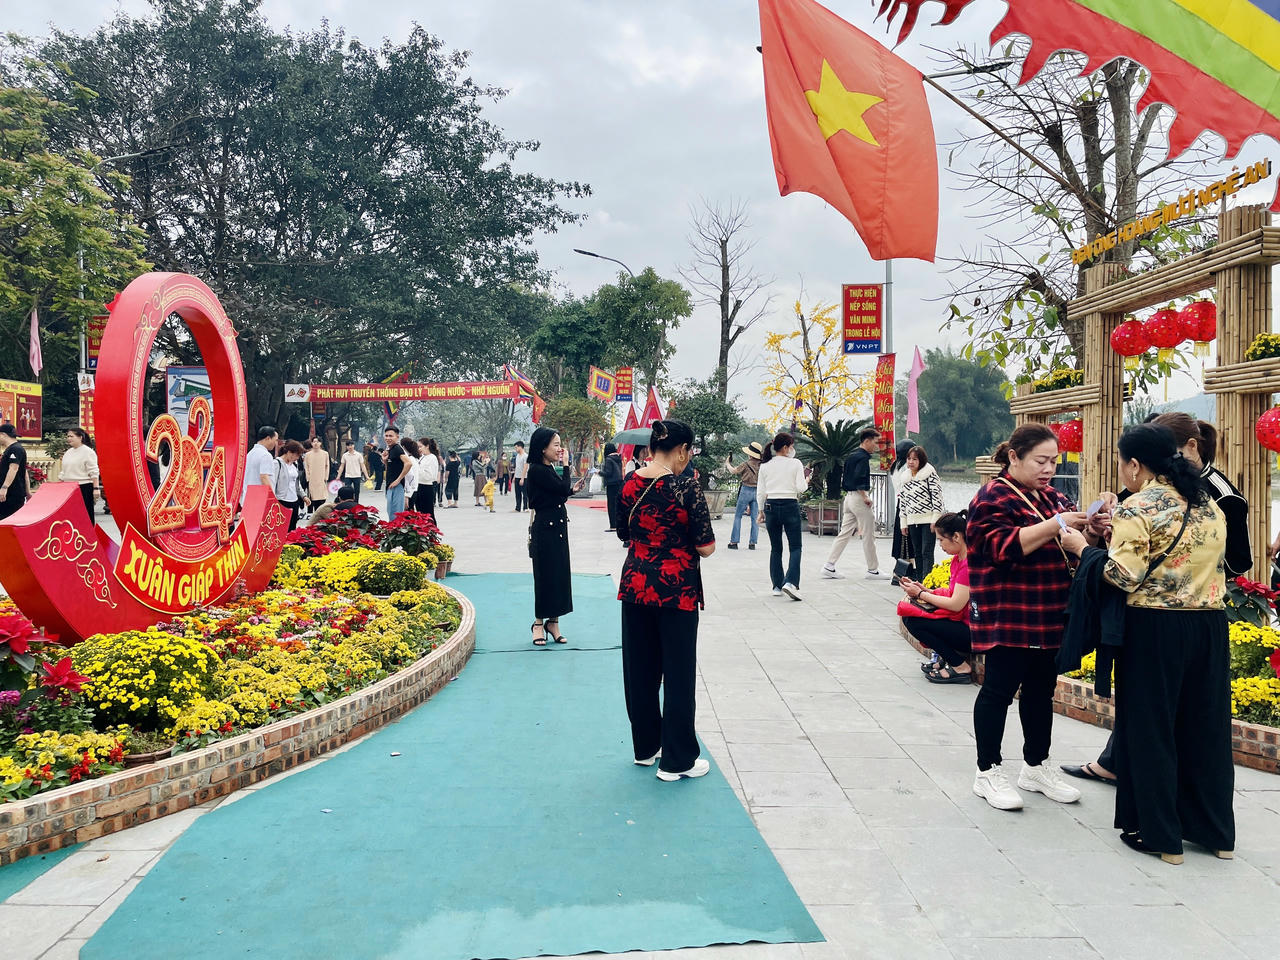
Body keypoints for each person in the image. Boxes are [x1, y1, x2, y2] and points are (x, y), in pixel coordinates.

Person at [1061, 424, 1233, 864]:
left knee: (1151, 728)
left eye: (1122, 464)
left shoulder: (1137, 506)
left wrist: (1082, 549)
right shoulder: (1208, 503)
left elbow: (1123, 576)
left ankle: (1159, 835)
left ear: (1135, 465)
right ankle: (1215, 833)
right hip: (1209, 627)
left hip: (1154, 628)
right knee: (1205, 728)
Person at [967, 423, 1103, 811]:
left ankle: (1036, 765)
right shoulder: (992, 496)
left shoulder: (1053, 496)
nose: (1048, 469)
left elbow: (1071, 547)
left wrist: (1091, 531)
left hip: (1049, 609)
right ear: (1014, 457)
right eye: (1040, 461)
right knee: (998, 690)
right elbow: (1001, 547)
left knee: (1042, 691)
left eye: (1054, 462)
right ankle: (987, 770)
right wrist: (1057, 524)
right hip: (1009, 610)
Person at [616, 419, 716, 780]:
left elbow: (624, 533)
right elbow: (706, 546)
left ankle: (646, 748)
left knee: (640, 670)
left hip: (636, 585)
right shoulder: (686, 487)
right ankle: (677, 761)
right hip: (676, 591)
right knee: (677, 674)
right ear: (683, 450)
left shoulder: (629, 483)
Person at [526, 426, 586, 645]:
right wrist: (567, 466)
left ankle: (554, 622)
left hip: (558, 527)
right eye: (556, 445)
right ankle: (538, 624)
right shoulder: (537, 470)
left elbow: (558, 493)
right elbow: (559, 489)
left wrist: (571, 491)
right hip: (545, 528)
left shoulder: (548, 468)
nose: (560, 449)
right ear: (543, 448)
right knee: (544, 576)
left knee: (559, 574)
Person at [898, 512, 972, 683]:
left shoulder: (968, 564)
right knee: (909, 617)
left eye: (941, 540)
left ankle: (960, 666)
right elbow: (953, 593)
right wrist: (926, 591)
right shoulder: (957, 560)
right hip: (963, 624)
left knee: (915, 622)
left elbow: (955, 604)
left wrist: (921, 594)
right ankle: (950, 660)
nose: (940, 545)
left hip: (976, 632)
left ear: (956, 537)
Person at [822, 427, 882, 579]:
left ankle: (829, 565)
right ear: (866, 441)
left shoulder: (851, 456)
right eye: (875, 442)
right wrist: (865, 496)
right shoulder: (863, 458)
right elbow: (859, 478)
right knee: (869, 534)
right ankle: (873, 570)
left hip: (848, 499)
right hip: (859, 498)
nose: (877, 446)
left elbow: (848, 477)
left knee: (844, 533)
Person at [757, 431, 809, 600]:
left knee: (776, 548)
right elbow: (801, 488)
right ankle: (791, 582)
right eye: (791, 446)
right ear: (786, 447)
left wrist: (760, 511)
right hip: (790, 505)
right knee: (795, 547)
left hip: (771, 506)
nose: (792, 449)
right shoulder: (795, 463)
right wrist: (807, 481)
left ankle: (777, 585)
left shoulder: (765, 465)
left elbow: (760, 491)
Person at [897, 445, 945, 582]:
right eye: (909, 459)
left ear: (921, 460)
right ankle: (919, 581)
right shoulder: (905, 477)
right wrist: (903, 522)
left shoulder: (930, 474)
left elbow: (937, 498)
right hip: (912, 520)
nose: (911, 462)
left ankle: (927, 581)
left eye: (915, 459)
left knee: (926, 552)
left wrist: (935, 519)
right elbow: (903, 501)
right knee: (917, 552)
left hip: (928, 520)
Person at [725, 441, 763, 551]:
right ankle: (752, 543)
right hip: (757, 491)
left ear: (750, 454)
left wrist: (727, 463)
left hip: (746, 490)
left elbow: (733, 471)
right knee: (755, 518)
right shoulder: (762, 466)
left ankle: (734, 542)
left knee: (738, 516)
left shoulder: (745, 464)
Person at [888, 439, 915, 584]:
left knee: (902, 540)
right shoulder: (906, 468)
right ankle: (903, 573)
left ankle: (900, 572)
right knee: (908, 540)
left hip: (900, 504)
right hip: (908, 504)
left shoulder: (895, 466)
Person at [61, 427, 100, 520]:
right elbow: (64, 471)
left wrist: (96, 488)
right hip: (69, 487)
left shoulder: (88, 452)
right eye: (68, 436)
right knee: (71, 516)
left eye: (71, 436)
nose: (69, 438)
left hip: (83, 487)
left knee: (85, 515)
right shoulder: (68, 452)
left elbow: (94, 471)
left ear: (80, 437)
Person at [272, 440, 305, 531]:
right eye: (296, 455)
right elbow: (272, 483)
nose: (297, 458)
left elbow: (296, 483)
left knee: (292, 527)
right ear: (289, 452)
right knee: (282, 528)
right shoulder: (277, 463)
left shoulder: (294, 464)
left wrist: (303, 496)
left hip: (294, 500)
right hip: (282, 500)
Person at [242, 426, 278, 506]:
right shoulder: (265, 455)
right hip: (260, 501)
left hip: (248, 498)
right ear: (268, 438)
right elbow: (264, 477)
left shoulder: (250, 454)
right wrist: (272, 499)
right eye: (275, 440)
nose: (276, 443)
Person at [0, 424, 29, 520]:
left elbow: (13, 468)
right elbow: (24, 472)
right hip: (10, 493)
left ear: (3, 435)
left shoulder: (15, 449)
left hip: (12, 494)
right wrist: (28, 491)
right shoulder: (10, 449)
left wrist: (4, 487)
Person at [382, 427, 410, 519]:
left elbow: (408, 463)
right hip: (390, 485)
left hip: (397, 486)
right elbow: (390, 468)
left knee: (396, 515)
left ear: (397, 437)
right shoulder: (391, 449)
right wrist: (385, 461)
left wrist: (398, 480)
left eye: (391, 436)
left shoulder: (397, 448)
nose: (388, 438)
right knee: (391, 512)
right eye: (386, 436)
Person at [599, 443, 625, 531]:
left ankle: (613, 526)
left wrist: (598, 472)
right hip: (619, 483)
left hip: (611, 485)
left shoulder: (608, 459)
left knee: (611, 505)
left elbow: (608, 473)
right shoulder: (618, 458)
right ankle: (618, 525)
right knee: (617, 505)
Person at [414, 437, 441, 519]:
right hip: (419, 486)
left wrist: (417, 469)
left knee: (428, 513)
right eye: (418, 447)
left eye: (420, 446)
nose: (419, 449)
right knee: (420, 513)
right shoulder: (422, 457)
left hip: (426, 487)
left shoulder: (432, 458)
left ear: (427, 446)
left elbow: (431, 476)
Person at [303, 439, 331, 512]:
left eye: (317, 442)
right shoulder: (308, 455)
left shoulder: (325, 454)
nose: (315, 443)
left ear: (320, 443)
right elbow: (306, 467)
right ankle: (310, 513)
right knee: (311, 496)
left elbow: (327, 466)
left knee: (322, 496)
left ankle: (319, 512)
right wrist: (308, 477)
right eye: (314, 442)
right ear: (311, 443)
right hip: (312, 478)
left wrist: (326, 477)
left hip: (321, 478)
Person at [513, 441, 528, 512]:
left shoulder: (525, 456)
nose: (515, 449)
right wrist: (514, 477)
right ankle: (518, 507)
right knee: (517, 493)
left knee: (525, 493)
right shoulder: (517, 456)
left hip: (524, 477)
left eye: (516, 447)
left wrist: (522, 478)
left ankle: (525, 507)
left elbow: (525, 467)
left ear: (520, 447)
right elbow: (517, 467)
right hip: (517, 476)